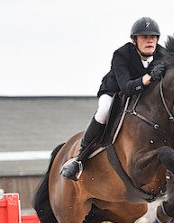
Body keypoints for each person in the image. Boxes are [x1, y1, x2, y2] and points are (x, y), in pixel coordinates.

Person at [60, 17, 166, 181]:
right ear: (134, 40)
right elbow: (125, 87)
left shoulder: (163, 55)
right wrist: (146, 79)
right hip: (115, 92)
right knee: (103, 112)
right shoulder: (121, 55)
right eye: (144, 37)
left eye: (153, 37)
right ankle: (80, 159)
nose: (150, 40)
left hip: (145, 97)